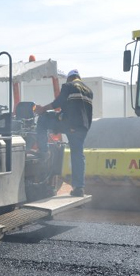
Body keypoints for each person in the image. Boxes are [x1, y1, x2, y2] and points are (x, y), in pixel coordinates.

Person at [34, 69, 94, 197]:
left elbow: (58, 103)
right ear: (79, 77)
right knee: (77, 155)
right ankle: (79, 188)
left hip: (69, 124)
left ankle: (44, 152)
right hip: (83, 128)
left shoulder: (68, 86)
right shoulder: (89, 91)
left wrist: (42, 109)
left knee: (43, 120)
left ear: (69, 78)